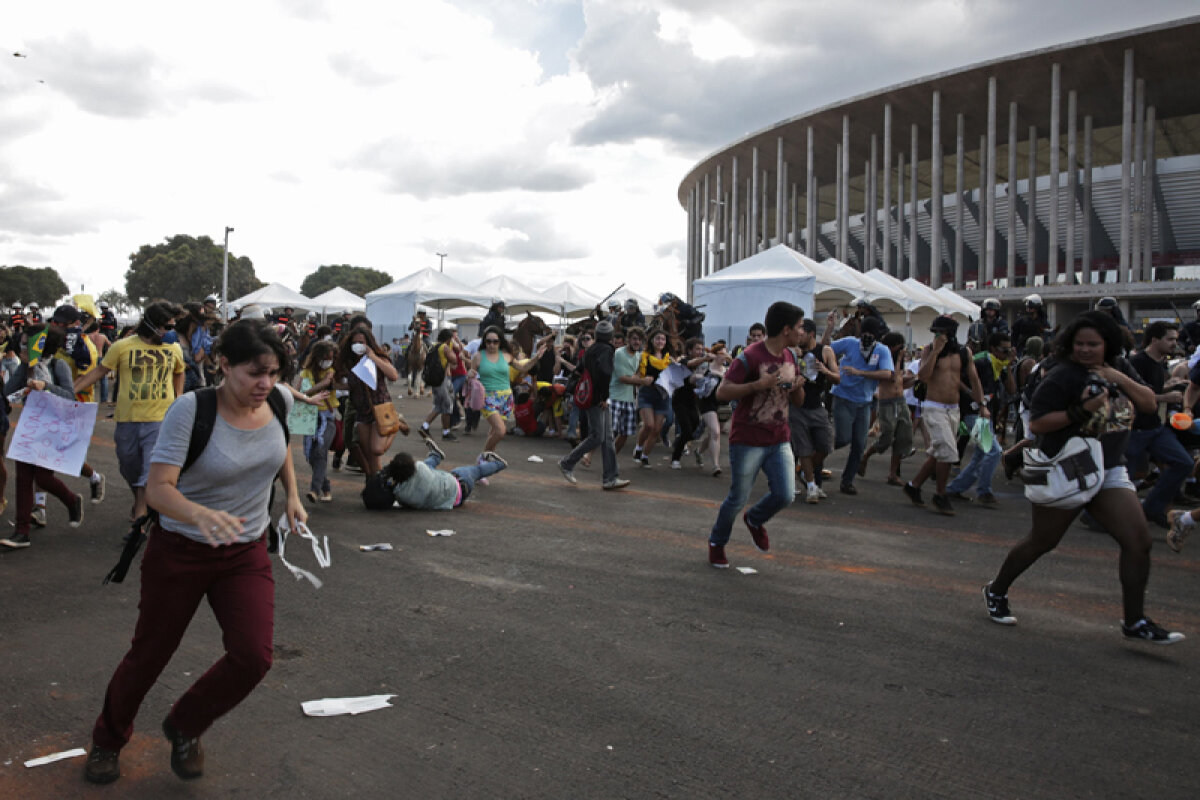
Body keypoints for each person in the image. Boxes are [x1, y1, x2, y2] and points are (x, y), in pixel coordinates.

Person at [84, 320, 307, 784]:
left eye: (273, 371)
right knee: (150, 655)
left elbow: (283, 445)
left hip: (245, 552)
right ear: (224, 365)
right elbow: (159, 492)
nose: (264, 383)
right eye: (253, 373)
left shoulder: (279, 399)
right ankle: (107, 739)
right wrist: (197, 514)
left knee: (253, 657)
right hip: (181, 551)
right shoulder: (190, 409)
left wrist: (292, 494)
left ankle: (185, 724)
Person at [983, 311, 1183, 644]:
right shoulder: (1062, 374)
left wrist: (1115, 376)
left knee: (1139, 542)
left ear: (1109, 345)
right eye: (1080, 344)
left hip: (1109, 466)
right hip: (1066, 463)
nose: (1086, 350)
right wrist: (1081, 411)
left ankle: (1135, 621)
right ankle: (996, 589)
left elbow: (1148, 403)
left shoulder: (1120, 365)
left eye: (1094, 344)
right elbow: (1038, 424)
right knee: (1043, 540)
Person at [707, 302, 805, 569]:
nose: (802, 332)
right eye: (798, 327)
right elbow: (721, 392)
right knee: (737, 497)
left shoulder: (791, 357)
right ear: (786, 329)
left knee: (785, 495)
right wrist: (756, 386)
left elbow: (798, 400)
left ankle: (755, 519)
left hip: (779, 436)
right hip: (748, 439)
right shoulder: (749, 357)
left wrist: (797, 387)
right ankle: (717, 543)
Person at [74, 302, 186, 521]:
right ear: (152, 326)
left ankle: (140, 518)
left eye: (173, 326)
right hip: (127, 418)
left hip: (160, 418)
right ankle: (140, 501)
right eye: (166, 327)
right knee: (128, 466)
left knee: (148, 469)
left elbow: (179, 371)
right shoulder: (122, 347)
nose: (170, 332)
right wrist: (72, 390)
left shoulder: (173, 348)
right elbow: (100, 371)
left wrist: (178, 398)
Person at [0, 327, 86, 549]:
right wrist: (23, 380)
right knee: (23, 478)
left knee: (44, 478)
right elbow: (9, 392)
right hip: (31, 425)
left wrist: (45, 386)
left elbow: (69, 395)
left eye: (26, 344)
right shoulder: (25, 368)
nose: (21, 348)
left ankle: (71, 500)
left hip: (54, 427)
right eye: (21, 343)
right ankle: (21, 531)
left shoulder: (59, 366)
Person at [903, 315, 985, 516]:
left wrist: (982, 404)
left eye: (940, 332)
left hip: (953, 409)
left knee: (939, 451)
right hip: (933, 407)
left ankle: (913, 486)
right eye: (934, 332)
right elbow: (923, 376)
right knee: (949, 451)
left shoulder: (964, 352)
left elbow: (974, 380)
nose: (936, 335)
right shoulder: (930, 350)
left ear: (950, 333)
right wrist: (936, 351)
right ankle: (941, 494)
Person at [1125, 321, 1192, 529]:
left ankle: (1153, 508)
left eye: (1175, 339)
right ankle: (1094, 515)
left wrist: (1168, 385)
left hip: (1155, 428)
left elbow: (1151, 388)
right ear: (1155, 340)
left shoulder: (1159, 363)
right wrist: (1166, 396)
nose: (1174, 343)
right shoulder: (1137, 362)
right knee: (1122, 477)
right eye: (1170, 339)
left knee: (1184, 463)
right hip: (1135, 430)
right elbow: (1133, 393)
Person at [945, 331, 1015, 507]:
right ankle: (984, 491)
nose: (1006, 354)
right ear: (993, 349)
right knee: (993, 451)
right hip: (973, 412)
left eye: (1009, 350)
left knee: (981, 454)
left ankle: (955, 488)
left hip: (985, 414)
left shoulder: (1000, 366)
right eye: (1003, 350)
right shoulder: (982, 361)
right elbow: (957, 377)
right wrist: (973, 395)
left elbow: (1012, 390)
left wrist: (1009, 365)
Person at [558, 321, 630, 490]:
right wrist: (604, 396)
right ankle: (567, 463)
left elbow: (578, 369)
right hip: (598, 399)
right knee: (598, 436)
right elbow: (605, 373)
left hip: (589, 396)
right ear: (611, 336)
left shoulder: (590, 349)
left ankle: (610, 478)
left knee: (608, 438)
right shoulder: (607, 350)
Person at [828, 314, 893, 495]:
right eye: (864, 332)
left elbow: (887, 374)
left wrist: (859, 372)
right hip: (843, 398)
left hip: (864, 403)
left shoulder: (882, 350)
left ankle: (847, 481)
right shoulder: (849, 343)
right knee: (842, 438)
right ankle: (816, 455)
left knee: (859, 444)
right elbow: (826, 349)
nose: (867, 337)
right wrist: (829, 330)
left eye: (871, 333)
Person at [338, 325, 404, 477]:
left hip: (379, 407)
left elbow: (393, 375)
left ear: (368, 342)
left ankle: (397, 423)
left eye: (362, 342)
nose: (358, 345)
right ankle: (376, 483)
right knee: (369, 454)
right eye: (355, 342)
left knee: (377, 449)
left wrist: (372, 356)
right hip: (362, 411)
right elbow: (352, 385)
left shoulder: (379, 358)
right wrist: (333, 385)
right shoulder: (350, 363)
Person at [379, 435, 507, 510]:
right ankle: (499, 464)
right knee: (476, 471)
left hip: (453, 500)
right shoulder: (420, 468)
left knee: (429, 469)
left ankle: (436, 455)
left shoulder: (401, 494)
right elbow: (433, 472)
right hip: (458, 485)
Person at [856, 331, 914, 488]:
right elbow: (892, 377)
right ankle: (865, 456)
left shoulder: (898, 361)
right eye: (900, 346)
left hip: (900, 401)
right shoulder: (883, 358)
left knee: (903, 436)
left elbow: (899, 381)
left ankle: (893, 474)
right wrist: (900, 358)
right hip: (887, 402)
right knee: (887, 436)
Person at [790, 319, 839, 501]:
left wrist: (825, 371)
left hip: (817, 407)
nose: (798, 337)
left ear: (811, 334)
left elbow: (837, 378)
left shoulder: (824, 351)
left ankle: (804, 471)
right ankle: (811, 487)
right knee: (803, 447)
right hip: (796, 407)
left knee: (825, 444)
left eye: (801, 334)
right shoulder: (793, 352)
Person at [294, 340, 339, 503]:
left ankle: (314, 490)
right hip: (310, 419)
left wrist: (304, 395)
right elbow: (296, 391)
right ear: (317, 357)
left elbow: (325, 383)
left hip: (327, 419)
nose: (329, 361)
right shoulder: (305, 372)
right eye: (326, 358)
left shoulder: (332, 371)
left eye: (331, 358)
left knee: (320, 450)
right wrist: (307, 396)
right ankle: (325, 487)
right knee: (311, 456)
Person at [471, 326, 517, 458]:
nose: (491, 344)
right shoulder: (478, 356)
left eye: (495, 341)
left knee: (494, 433)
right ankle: (483, 458)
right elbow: (471, 376)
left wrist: (536, 357)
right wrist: (469, 374)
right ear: (484, 342)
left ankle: (486, 463)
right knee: (501, 431)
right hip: (489, 397)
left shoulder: (507, 356)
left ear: (500, 342)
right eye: (488, 341)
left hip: (506, 398)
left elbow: (523, 366)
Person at [633, 331, 673, 467]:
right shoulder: (644, 356)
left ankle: (645, 456)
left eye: (663, 339)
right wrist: (643, 380)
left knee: (657, 429)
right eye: (658, 338)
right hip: (647, 394)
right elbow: (636, 376)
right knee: (649, 425)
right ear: (652, 340)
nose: (660, 341)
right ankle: (638, 447)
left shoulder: (669, 359)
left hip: (662, 396)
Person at [421, 329, 461, 441]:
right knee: (447, 406)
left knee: (438, 405)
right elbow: (454, 359)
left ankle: (425, 427)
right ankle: (446, 432)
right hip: (442, 379)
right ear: (448, 339)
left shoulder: (433, 346)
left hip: (435, 379)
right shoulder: (445, 347)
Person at [610, 326, 644, 457]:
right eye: (635, 339)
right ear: (628, 340)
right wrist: (641, 381)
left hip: (629, 399)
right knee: (609, 432)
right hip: (615, 397)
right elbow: (622, 378)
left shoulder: (638, 356)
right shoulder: (619, 353)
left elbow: (637, 374)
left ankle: (611, 459)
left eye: (640, 340)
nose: (637, 342)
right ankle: (589, 454)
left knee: (625, 434)